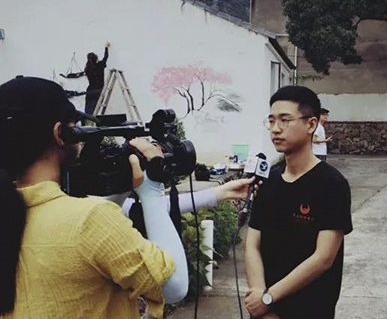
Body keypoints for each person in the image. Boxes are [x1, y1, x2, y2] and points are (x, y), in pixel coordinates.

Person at [0, 76, 255, 318]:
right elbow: (174, 286)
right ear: (60, 134)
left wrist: (123, 183)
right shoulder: (89, 220)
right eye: (75, 126)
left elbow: (97, 232)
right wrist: (151, 190)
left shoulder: (13, 210)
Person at [245, 86, 353, 319]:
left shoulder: (332, 184)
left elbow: (323, 258)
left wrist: (269, 298)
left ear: (311, 124)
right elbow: (253, 242)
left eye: (285, 120)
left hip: (310, 310)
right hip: (265, 309)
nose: (276, 128)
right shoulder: (269, 180)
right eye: (271, 121)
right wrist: (259, 297)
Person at [61, 42, 111, 115]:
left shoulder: (88, 69)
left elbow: (80, 74)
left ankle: (87, 120)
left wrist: (69, 76)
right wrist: (106, 47)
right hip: (99, 90)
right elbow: (106, 57)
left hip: (90, 91)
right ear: (96, 59)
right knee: (97, 110)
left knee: (88, 111)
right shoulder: (100, 65)